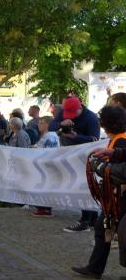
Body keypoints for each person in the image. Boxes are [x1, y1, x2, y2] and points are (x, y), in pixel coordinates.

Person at [71, 105, 126, 279]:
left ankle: (95, 268)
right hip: (118, 193)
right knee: (106, 229)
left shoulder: (120, 140)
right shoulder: (118, 140)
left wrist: (103, 168)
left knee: (105, 228)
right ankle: (95, 268)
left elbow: (121, 171)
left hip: (120, 194)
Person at [50, 96, 101, 233]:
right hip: (70, 156)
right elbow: (50, 126)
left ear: (80, 107)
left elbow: (95, 140)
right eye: (68, 113)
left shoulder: (91, 118)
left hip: (85, 157)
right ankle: (92, 219)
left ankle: (85, 221)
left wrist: (76, 137)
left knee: (84, 186)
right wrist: (61, 124)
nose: (70, 116)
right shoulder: (64, 112)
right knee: (80, 186)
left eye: (73, 113)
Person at [31, 115, 60, 217]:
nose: (39, 125)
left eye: (41, 123)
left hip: (46, 167)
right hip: (44, 167)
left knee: (44, 187)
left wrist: (34, 148)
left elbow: (48, 152)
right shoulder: (47, 135)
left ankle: (45, 208)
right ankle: (43, 207)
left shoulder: (50, 135)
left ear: (48, 124)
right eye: (39, 123)